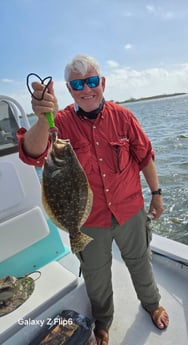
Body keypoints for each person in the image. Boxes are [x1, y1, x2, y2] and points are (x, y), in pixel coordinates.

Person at [17, 54, 169, 345]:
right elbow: (32, 154)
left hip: (130, 210)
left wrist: (157, 195)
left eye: (91, 81)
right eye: (77, 84)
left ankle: (152, 304)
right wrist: (40, 119)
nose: (86, 89)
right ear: (69, 90)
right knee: (96, 276)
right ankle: (103, 321)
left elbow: (145, 156)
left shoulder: (123, 117)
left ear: (102, 83)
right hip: (87, 219)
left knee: (140, 262)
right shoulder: (57, 123)